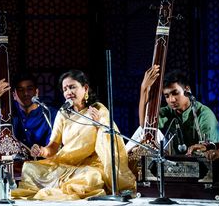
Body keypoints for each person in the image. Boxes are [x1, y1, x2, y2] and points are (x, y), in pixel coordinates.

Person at [11, 69, 136, 200]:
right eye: (65, 89)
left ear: (85, 88)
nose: (68, 92)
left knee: (91, 178)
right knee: (31, 168)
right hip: (67, 165)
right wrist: (42, 151)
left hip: (91, 166)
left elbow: (110, 141)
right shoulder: (63, 114)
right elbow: (53, 146)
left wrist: (99, 125)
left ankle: (61, 186)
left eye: (72, 87)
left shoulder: (97, 110)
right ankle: (62, 184)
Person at [0, 72, 57, 177]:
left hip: (39, 166)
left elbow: (52, 147)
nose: (25, 93)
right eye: (20, 90)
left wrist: (40, 150)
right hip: (11, 167)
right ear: (14, 95)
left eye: (29, 89)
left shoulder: (50, 114)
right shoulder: (7, 112)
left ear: (36, 92)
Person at [130, 65, 219, 154]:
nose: (171, 100)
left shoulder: (204, 114)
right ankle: (122, 165)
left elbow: (210, 149)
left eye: (175, 93)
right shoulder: (168, 111)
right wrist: (144, 89)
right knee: (145, 131)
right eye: (167, 96)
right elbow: (145, 126)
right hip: (173, 160)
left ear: (187, 90)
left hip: (199, 162)